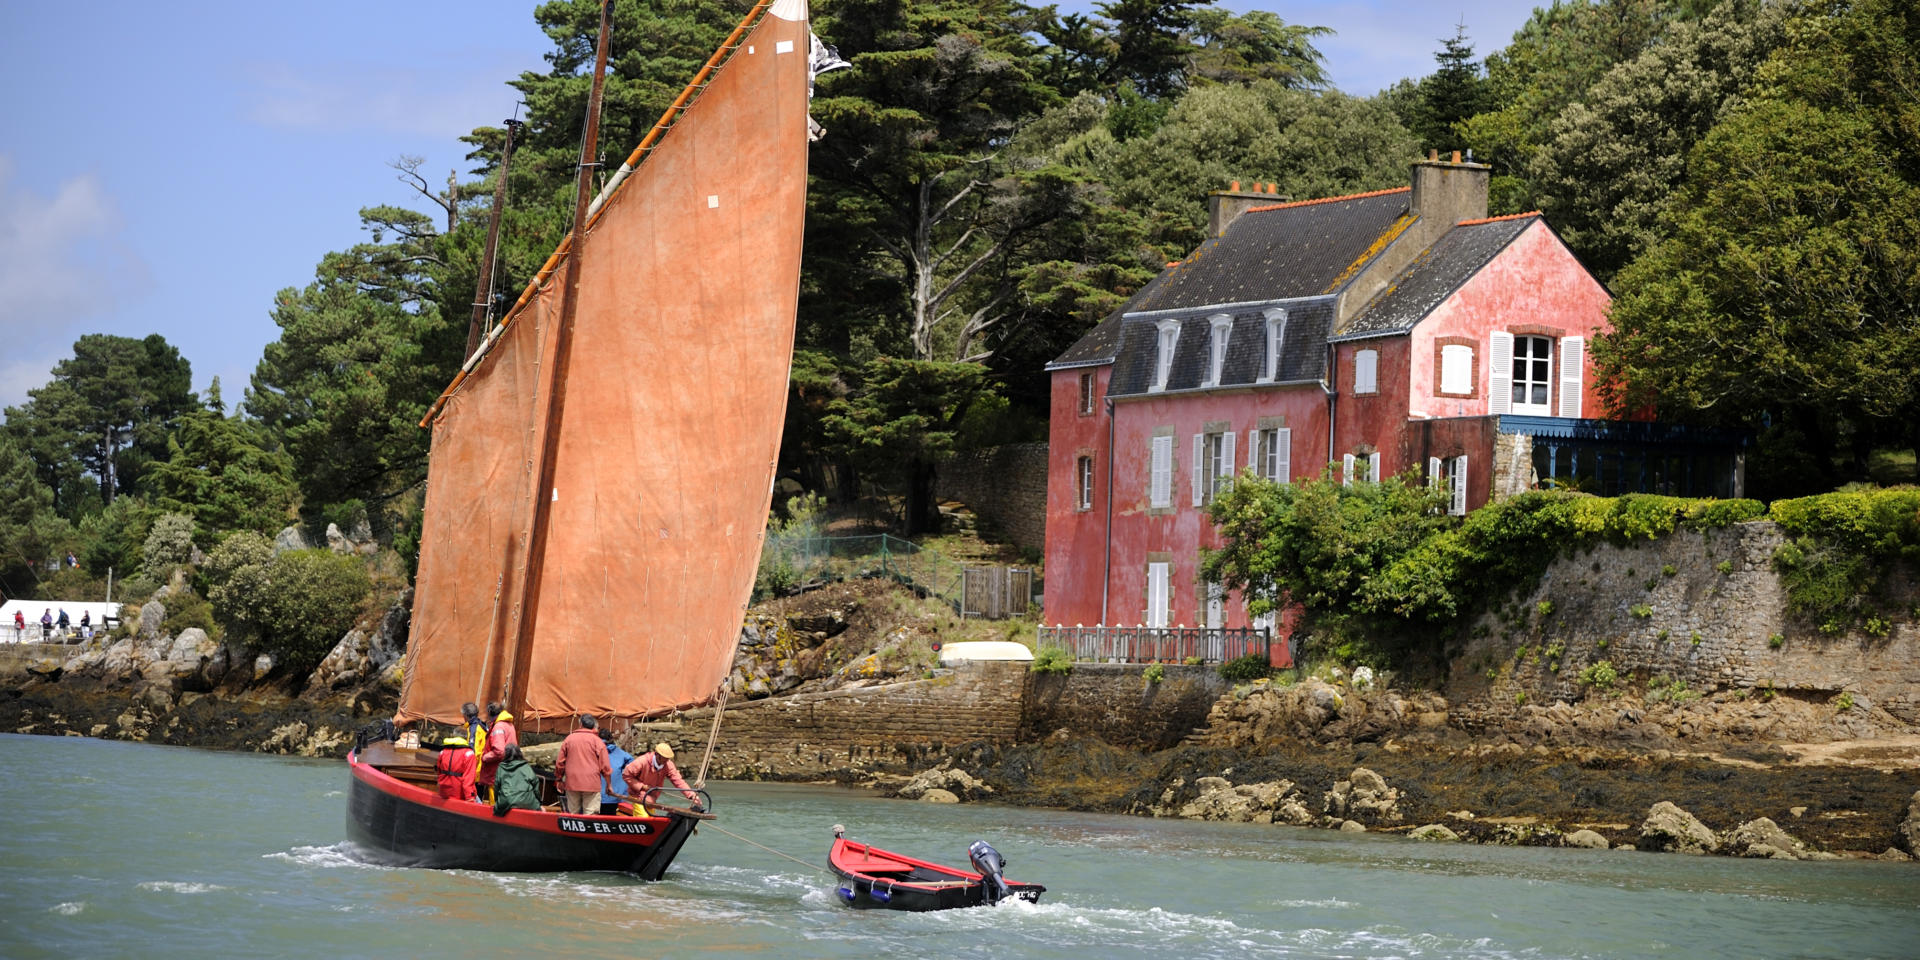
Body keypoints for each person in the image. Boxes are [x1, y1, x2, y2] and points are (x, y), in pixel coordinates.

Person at [622, 742, 702, 815]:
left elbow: (678, 781)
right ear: (657, 754)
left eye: (668, 758)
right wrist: (641, 786)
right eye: (665, 757)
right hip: (637, 795)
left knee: (652, 818)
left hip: (651, 798)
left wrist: (692, 795)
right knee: (644, 818)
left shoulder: (668, 765)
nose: (666, 760)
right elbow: (626, 774)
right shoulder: (642, 761)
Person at [554, 715, 611, 815]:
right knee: (591, 814)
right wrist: (608, 784)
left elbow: (560, 763)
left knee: (572, 814)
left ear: (580, 724)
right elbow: (605, 767)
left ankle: (572, 830)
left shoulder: (569, 739)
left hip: (572, 782)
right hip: (591, 784)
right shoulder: (597, 741)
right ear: (594, 726)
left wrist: (559, 779)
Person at [476, 702, 517, 802]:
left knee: (496, 803)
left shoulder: (498, 727)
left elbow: (499, 751)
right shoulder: (509, 724)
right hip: (508, 769)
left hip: (497, 771)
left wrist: (485, 757)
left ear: (489, 713)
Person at [490, 745, 542, 816]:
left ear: (506, 755)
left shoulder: (501, 767)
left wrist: (498, 802)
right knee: (541, 809)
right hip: (528, 802)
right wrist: (538, 803)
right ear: (519, 754)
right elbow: (535, 785)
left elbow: (496, 787)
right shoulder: (526, 766)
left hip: (506, 802)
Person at [599, 730, 636, 815]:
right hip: (616, 796)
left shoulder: (594, 752)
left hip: (596, 796)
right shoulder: (623, 754)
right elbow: (634, 769)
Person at [434, 735, 478, 801]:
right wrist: (470, 797)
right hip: (459, 794)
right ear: (466, 738)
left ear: (453, 736)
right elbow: (469, 778)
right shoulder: (469, 753)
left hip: (443, 792)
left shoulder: (443, 752)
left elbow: (438, 771)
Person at [460, 702, 488, 767]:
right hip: (480, 766)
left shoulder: (474, 728)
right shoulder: (480, 725)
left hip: (476, 769)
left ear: (465, 715)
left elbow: (474, 751)